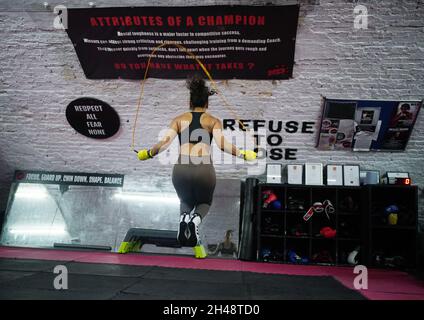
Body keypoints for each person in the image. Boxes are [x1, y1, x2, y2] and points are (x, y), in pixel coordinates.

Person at [136, 75, 256, 249]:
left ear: (189, 102)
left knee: (185, 199)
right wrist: (244, 154)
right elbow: (223, 145)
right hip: (203, 169)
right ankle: (195, 220)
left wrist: (147, 153)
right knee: (204, 202)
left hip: (181, 169)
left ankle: (184, 217)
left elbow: (163, 144)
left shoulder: (178, 119)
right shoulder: (213, 121)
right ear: (207, 103)